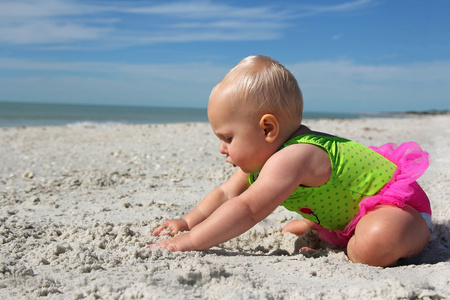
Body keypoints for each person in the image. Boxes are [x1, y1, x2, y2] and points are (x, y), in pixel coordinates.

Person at [150, 55, 432, 267]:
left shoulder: (296, 155)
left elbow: (248, 209)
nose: (222, 149)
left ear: (267, 129)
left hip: (399, 210)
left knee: (375, 243)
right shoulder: (262, 161)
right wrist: (187, 222)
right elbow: (226, 194)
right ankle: (334, 231)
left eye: (227, 138)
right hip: (354, 216)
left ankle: (347, 242)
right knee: (356, 234)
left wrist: (191, 241)